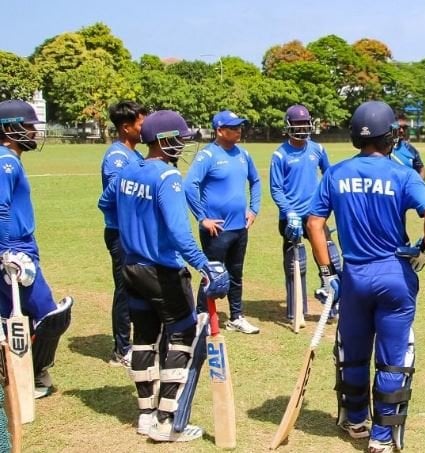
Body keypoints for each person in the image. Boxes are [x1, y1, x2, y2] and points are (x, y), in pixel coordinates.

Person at [307, 100, 425, 453]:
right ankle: (381, 438)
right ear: (391, 137)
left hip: (353, 277)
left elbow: (314, 223)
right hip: (394, 274)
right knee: (393, 356)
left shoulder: (336, 173)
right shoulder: (402, 173)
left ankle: (355, 421)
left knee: (353, 352)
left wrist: (326, 272)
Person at [98, 110, 230, 442]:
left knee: (144, 337)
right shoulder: (167, 178)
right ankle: (167, 420)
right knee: (183, 336)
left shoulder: (128, 169)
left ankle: (145, 415)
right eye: (180, 138)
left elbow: (105, 204)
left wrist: (131, 233)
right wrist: (205, 264)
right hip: (162, 271)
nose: (183, 144)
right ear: (164, 140)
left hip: (131, 267)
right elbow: (180, 234)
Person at [0, 99, 74, 399]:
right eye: (29, 127)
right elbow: (0, 208)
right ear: (10, 127)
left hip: (19, 245)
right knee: (51, 315)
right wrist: (6, 252)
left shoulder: (10, 159)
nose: (33, 132)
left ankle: (16, 376)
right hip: (15, 249)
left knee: (9, 316)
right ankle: (31, 376)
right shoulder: (5, 161)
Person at [185, 110, 261, 334]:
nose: (239, 131)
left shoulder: (244, 155)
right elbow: (190, 185)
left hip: (240, 227)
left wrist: (254, 209)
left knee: (236, 275)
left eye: (240, 127)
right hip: (216, 230)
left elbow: (255, 181)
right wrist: (202, 218)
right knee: (212, 274)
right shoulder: (208, 155)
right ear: (219, 130)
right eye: (233, 127)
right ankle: (202, 317)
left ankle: (236, 317)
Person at [269, 104, 339, 321]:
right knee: (295, 265)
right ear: (288, 126)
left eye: (305, 123)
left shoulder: (317, 149)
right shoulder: (280, 155)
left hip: (315, 217)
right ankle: (296, 310)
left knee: (330, 260)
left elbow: (329, 175)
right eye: (297, 124)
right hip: (290, 218)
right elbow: (276, 188)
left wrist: (328, 203)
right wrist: (289, 212)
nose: (302, 127)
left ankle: (331, 301)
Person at [100, 100, 148, 367]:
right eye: (142, 123)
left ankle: (137, 342)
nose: (146, 128)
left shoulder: (137, 155)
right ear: (126, 127)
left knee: (138, 287)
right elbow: (116, 195)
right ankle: (122, 349)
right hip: (121, 233)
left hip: (136, 232)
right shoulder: (117, 157)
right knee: (125, 289)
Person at [391, 113, 425, 180]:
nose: (402, 130)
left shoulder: (410, 149)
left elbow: (421, 170)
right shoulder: (380, 148)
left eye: (404, 128)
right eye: (399, 127)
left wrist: (417, 185)